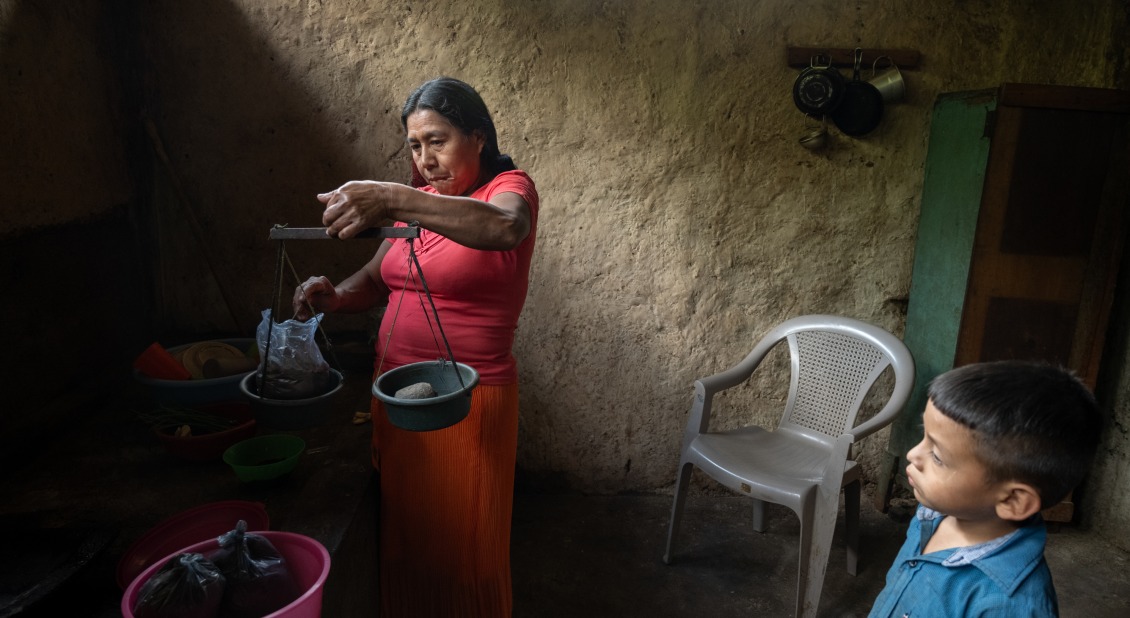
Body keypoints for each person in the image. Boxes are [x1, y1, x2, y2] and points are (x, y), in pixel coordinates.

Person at [292, 77, 538, 617]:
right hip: (398, 399)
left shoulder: (507, 190)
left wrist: (391, 196)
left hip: (468, 405)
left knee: (464, 548)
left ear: (478, 137)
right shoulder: (419, 203)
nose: (425, 159)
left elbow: (504, 230)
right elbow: (377, 280)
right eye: (415, 145)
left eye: (438, 140)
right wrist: (335, 297)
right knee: (409, 542)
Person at [869, 360, 1103, 617]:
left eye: (937, 456)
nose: (913, 454)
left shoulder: (1007, 605)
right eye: (923, 433)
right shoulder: (932, 514)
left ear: (1013, 501)